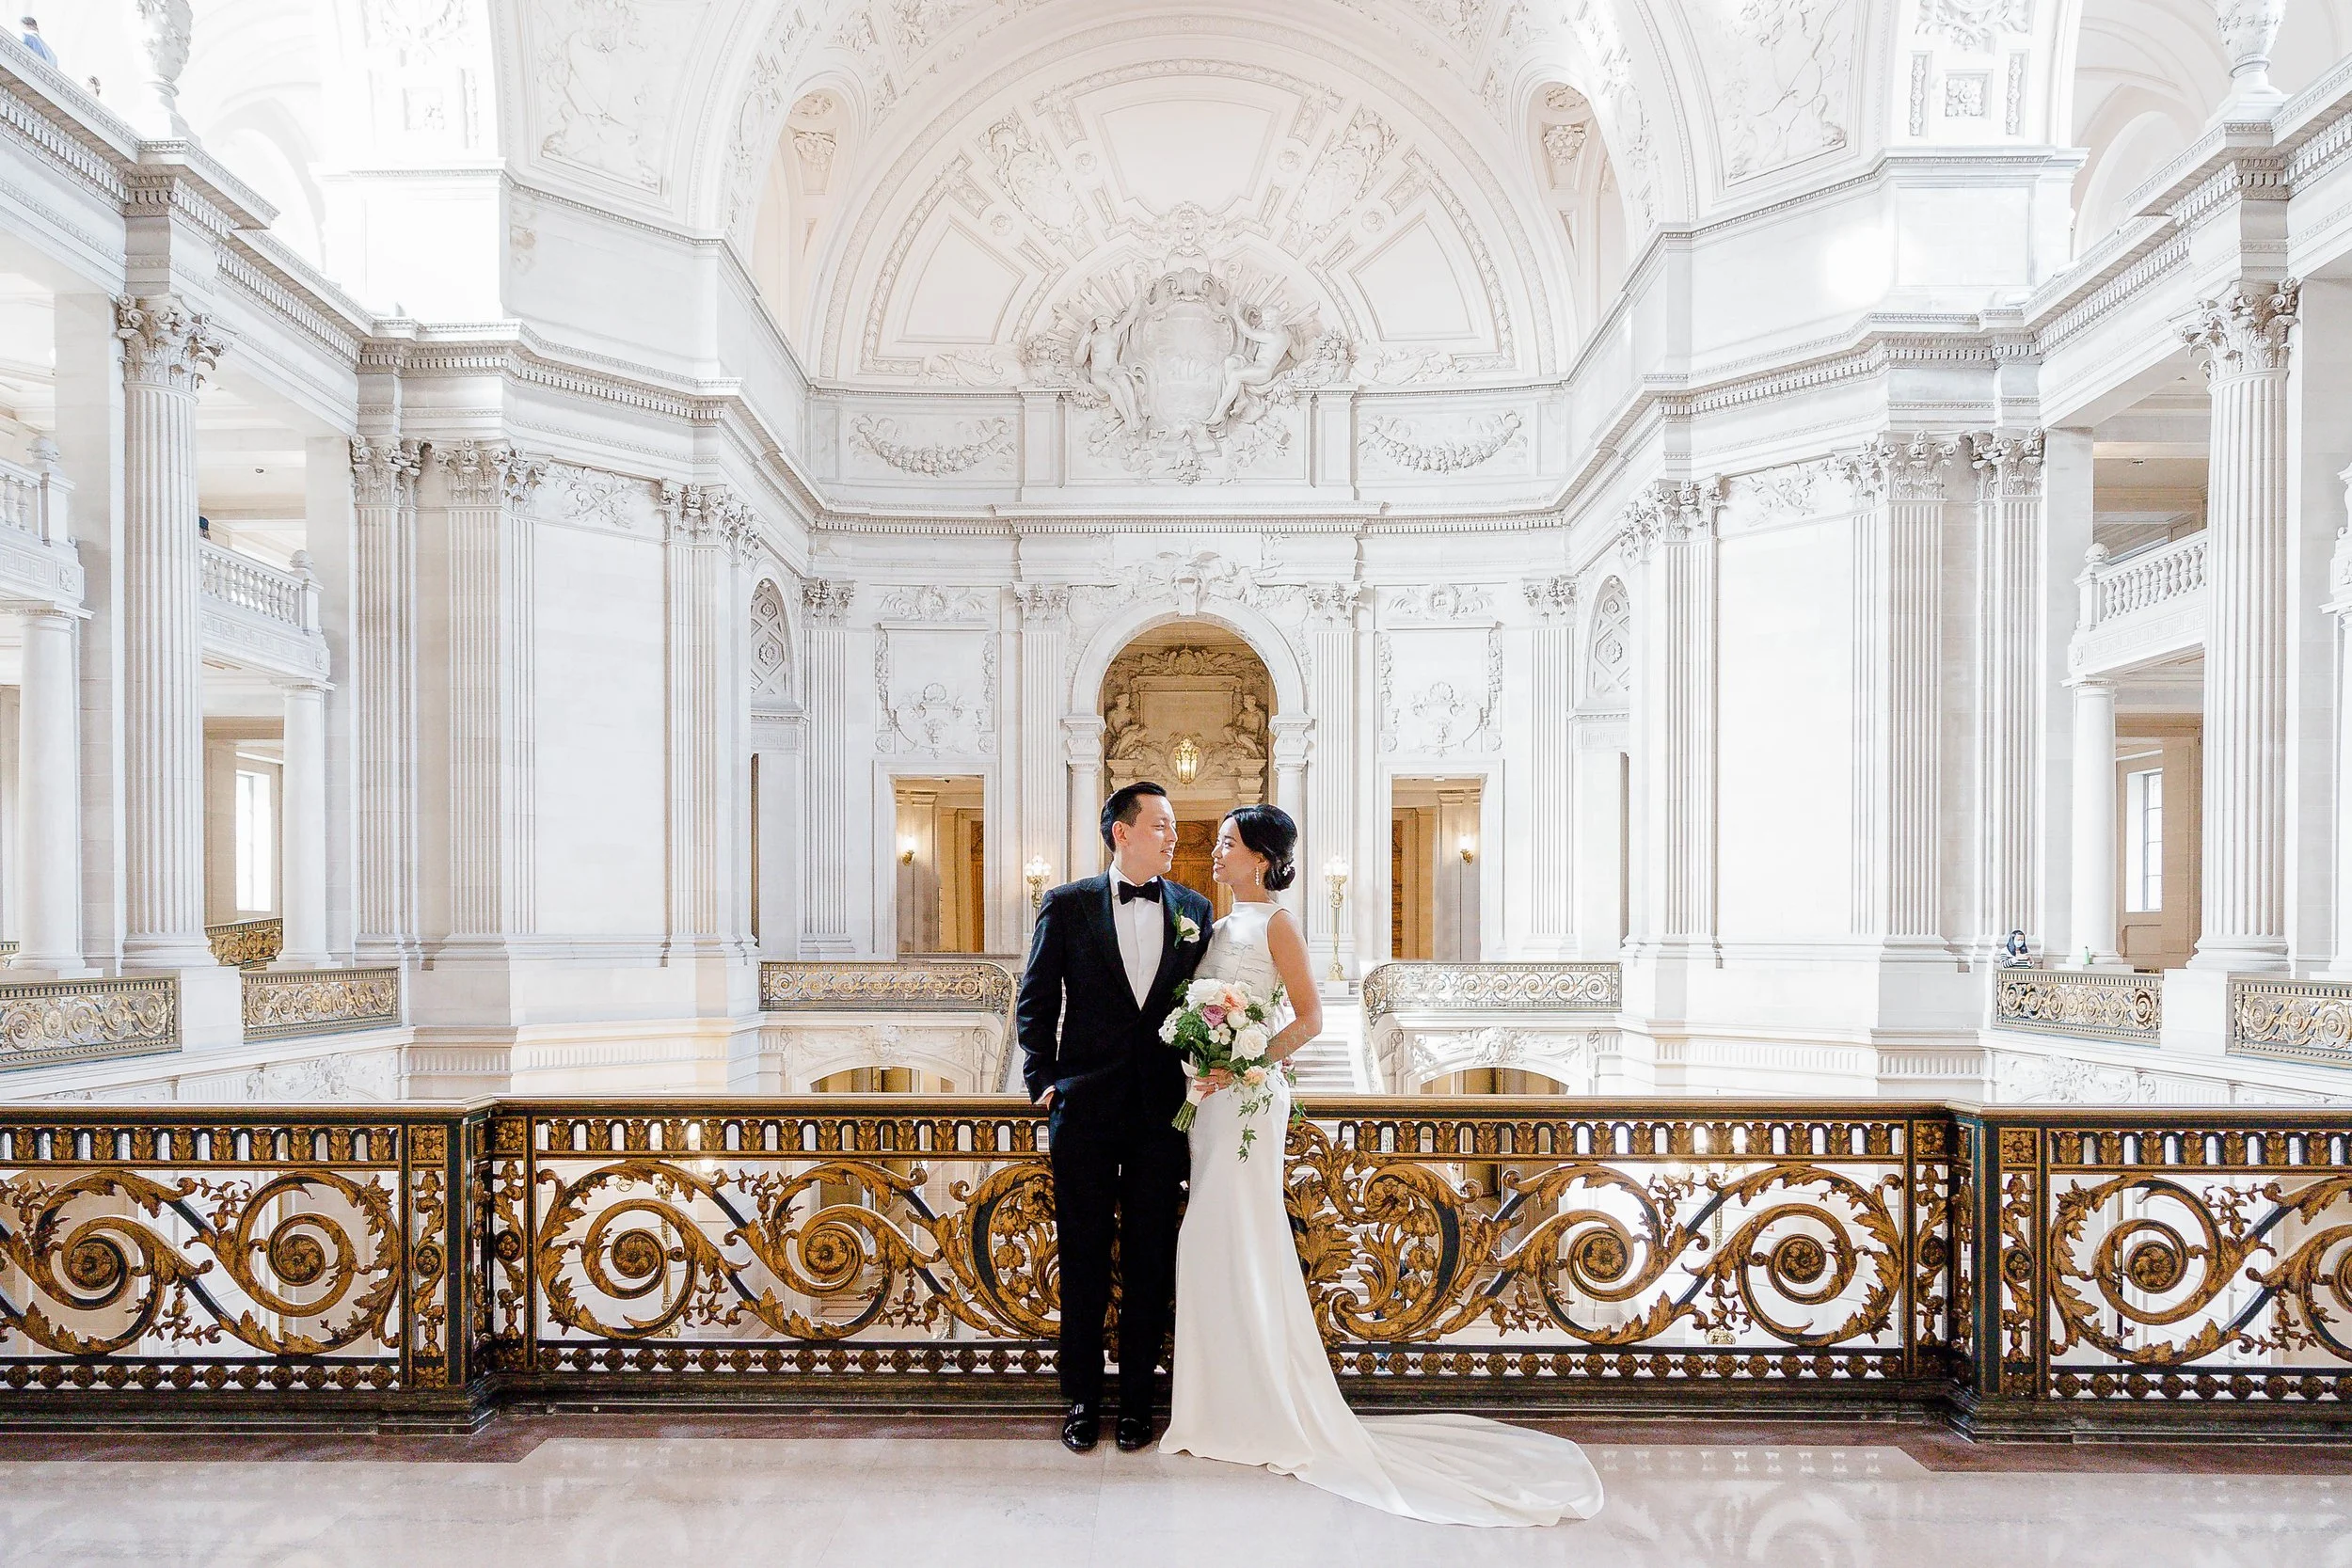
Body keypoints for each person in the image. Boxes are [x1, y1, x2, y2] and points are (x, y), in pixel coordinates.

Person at [1159, 803, 1605, 1528]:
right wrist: (1203, 1053)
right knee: (1208, 1238)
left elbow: (1308, 1018)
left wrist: (1245, 1061)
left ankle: (1258, 1406)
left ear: (1263, 858)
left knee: (1238, 1234)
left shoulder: (1277, 922)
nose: (1215, 852)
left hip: (1246, 1103)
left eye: (1228, 843)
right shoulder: (1215, 924)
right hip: (1208, 1103)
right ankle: (1214, 1403)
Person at [1015, 781, 1214, 1454]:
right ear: (1120, 832)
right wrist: (1041, 1080)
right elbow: (1036, 1000)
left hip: (1163, 1113)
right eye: (1159, 824)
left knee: (1152, 1260)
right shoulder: (1067, 905)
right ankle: (1080, 1399)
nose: (1172, 836)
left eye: (1173, 826)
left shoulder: (1194, 909)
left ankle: (1136, 1403)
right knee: (1084, 1257)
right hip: (1084, 1109)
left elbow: (1206, 1005)